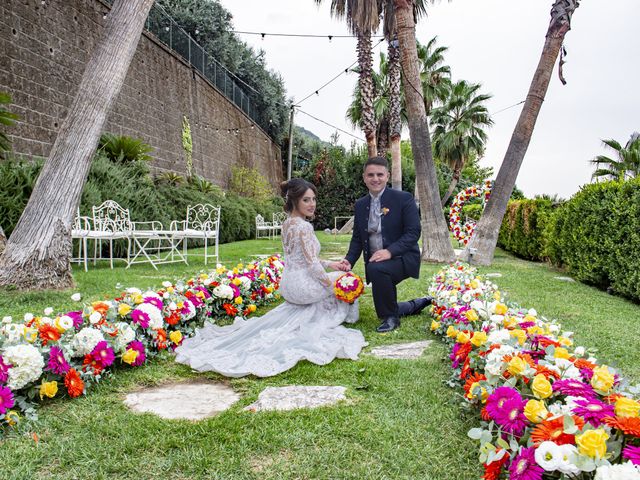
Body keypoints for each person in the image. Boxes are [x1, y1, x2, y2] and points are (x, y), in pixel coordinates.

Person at [175, 178, 367, 378]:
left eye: (313, 199)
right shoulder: (304, 227)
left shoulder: (287, 224)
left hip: (288, 284)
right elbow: (311, 266)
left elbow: (301, 259)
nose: (312, 204)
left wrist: (331, 265)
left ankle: (321, 311)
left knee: (336, 274)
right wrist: (331, 284)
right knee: (346, 277)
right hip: (302, 287)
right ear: (294, 202)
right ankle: (348, 318)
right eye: (306, 200)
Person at [340, 156, 431, 333]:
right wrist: (348, 261)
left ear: (388, 176)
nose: (375, 179)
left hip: (403, 257)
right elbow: (358, 238)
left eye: (380, 174)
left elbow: (413, 232)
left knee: (375, 269)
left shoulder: (404, 199)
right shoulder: (360, 205)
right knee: (378, 273)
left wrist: (389, 252)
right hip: (378, 263)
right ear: (364, 177)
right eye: (371, 175)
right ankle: (416, 304)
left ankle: (391, 318)